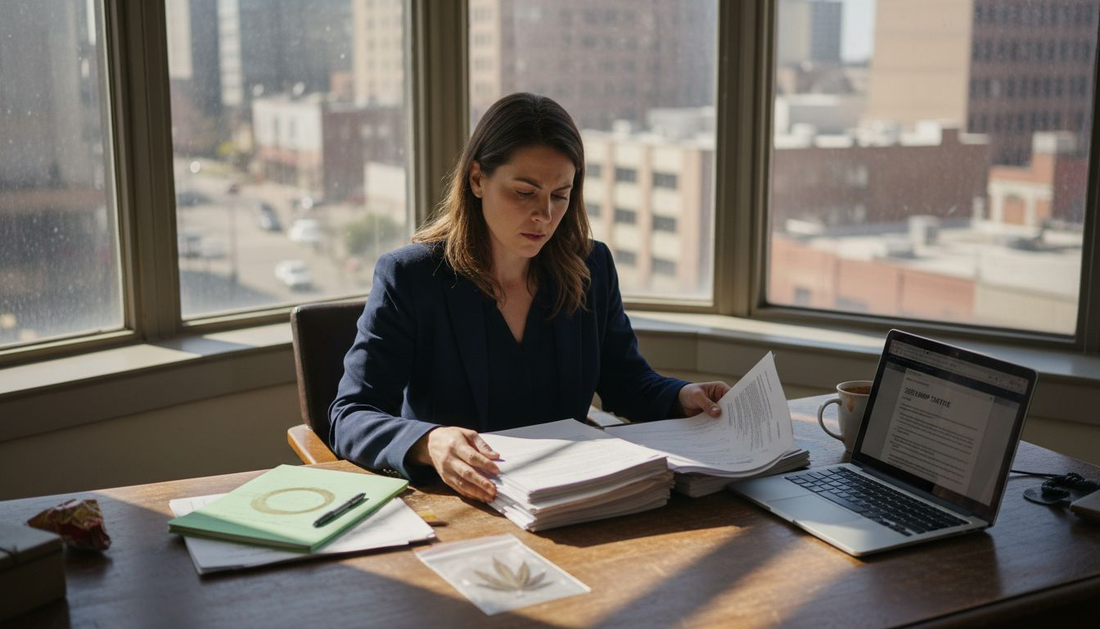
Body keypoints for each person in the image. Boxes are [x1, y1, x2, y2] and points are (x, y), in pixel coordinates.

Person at [329, 93, 730, 503]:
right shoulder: (411, 277)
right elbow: (350, 416)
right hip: (464, 506)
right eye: (524, 192)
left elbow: (626, 381)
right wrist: (428, 441)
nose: (545, 215)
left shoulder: (591, 267)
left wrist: (680, 397)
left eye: (560, 195)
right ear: (477, 179)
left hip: (571, 500)